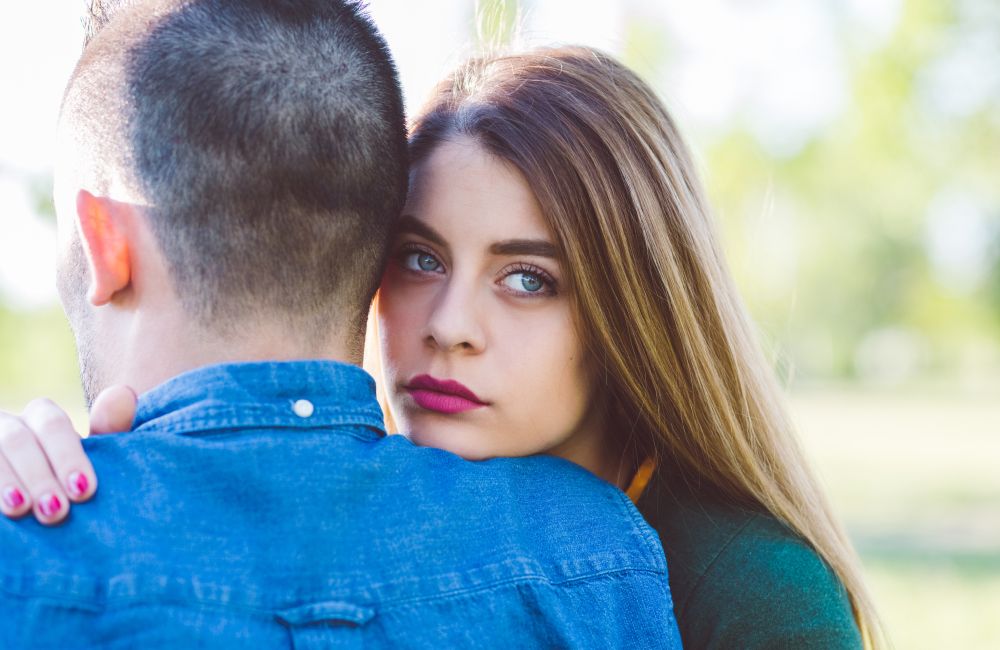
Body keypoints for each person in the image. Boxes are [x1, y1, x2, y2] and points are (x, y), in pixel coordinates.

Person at [2, 11, 882, 650]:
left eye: (528, 279)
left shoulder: (749, 589)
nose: (451, 327)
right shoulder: (377, 495)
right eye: (420, 259)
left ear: (633, 309)